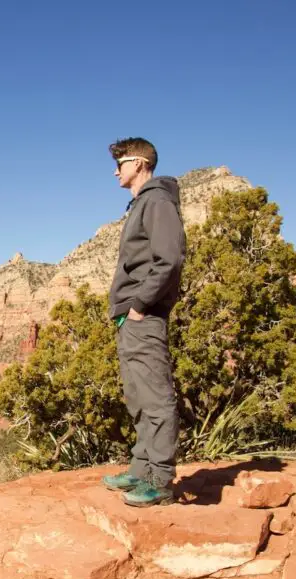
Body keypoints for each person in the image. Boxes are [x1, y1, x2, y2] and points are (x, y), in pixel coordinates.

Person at [100, 137, 185, 507]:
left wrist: (139, 304)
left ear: (140, 164)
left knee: (156, 398)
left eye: (122, 162)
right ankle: (140, 470)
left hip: (143, 315)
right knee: (137, 396)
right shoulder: (141, 203)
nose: (116, 170)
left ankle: (161, 480)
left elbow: (170, 259)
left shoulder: (157, 201)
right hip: (129, 317)